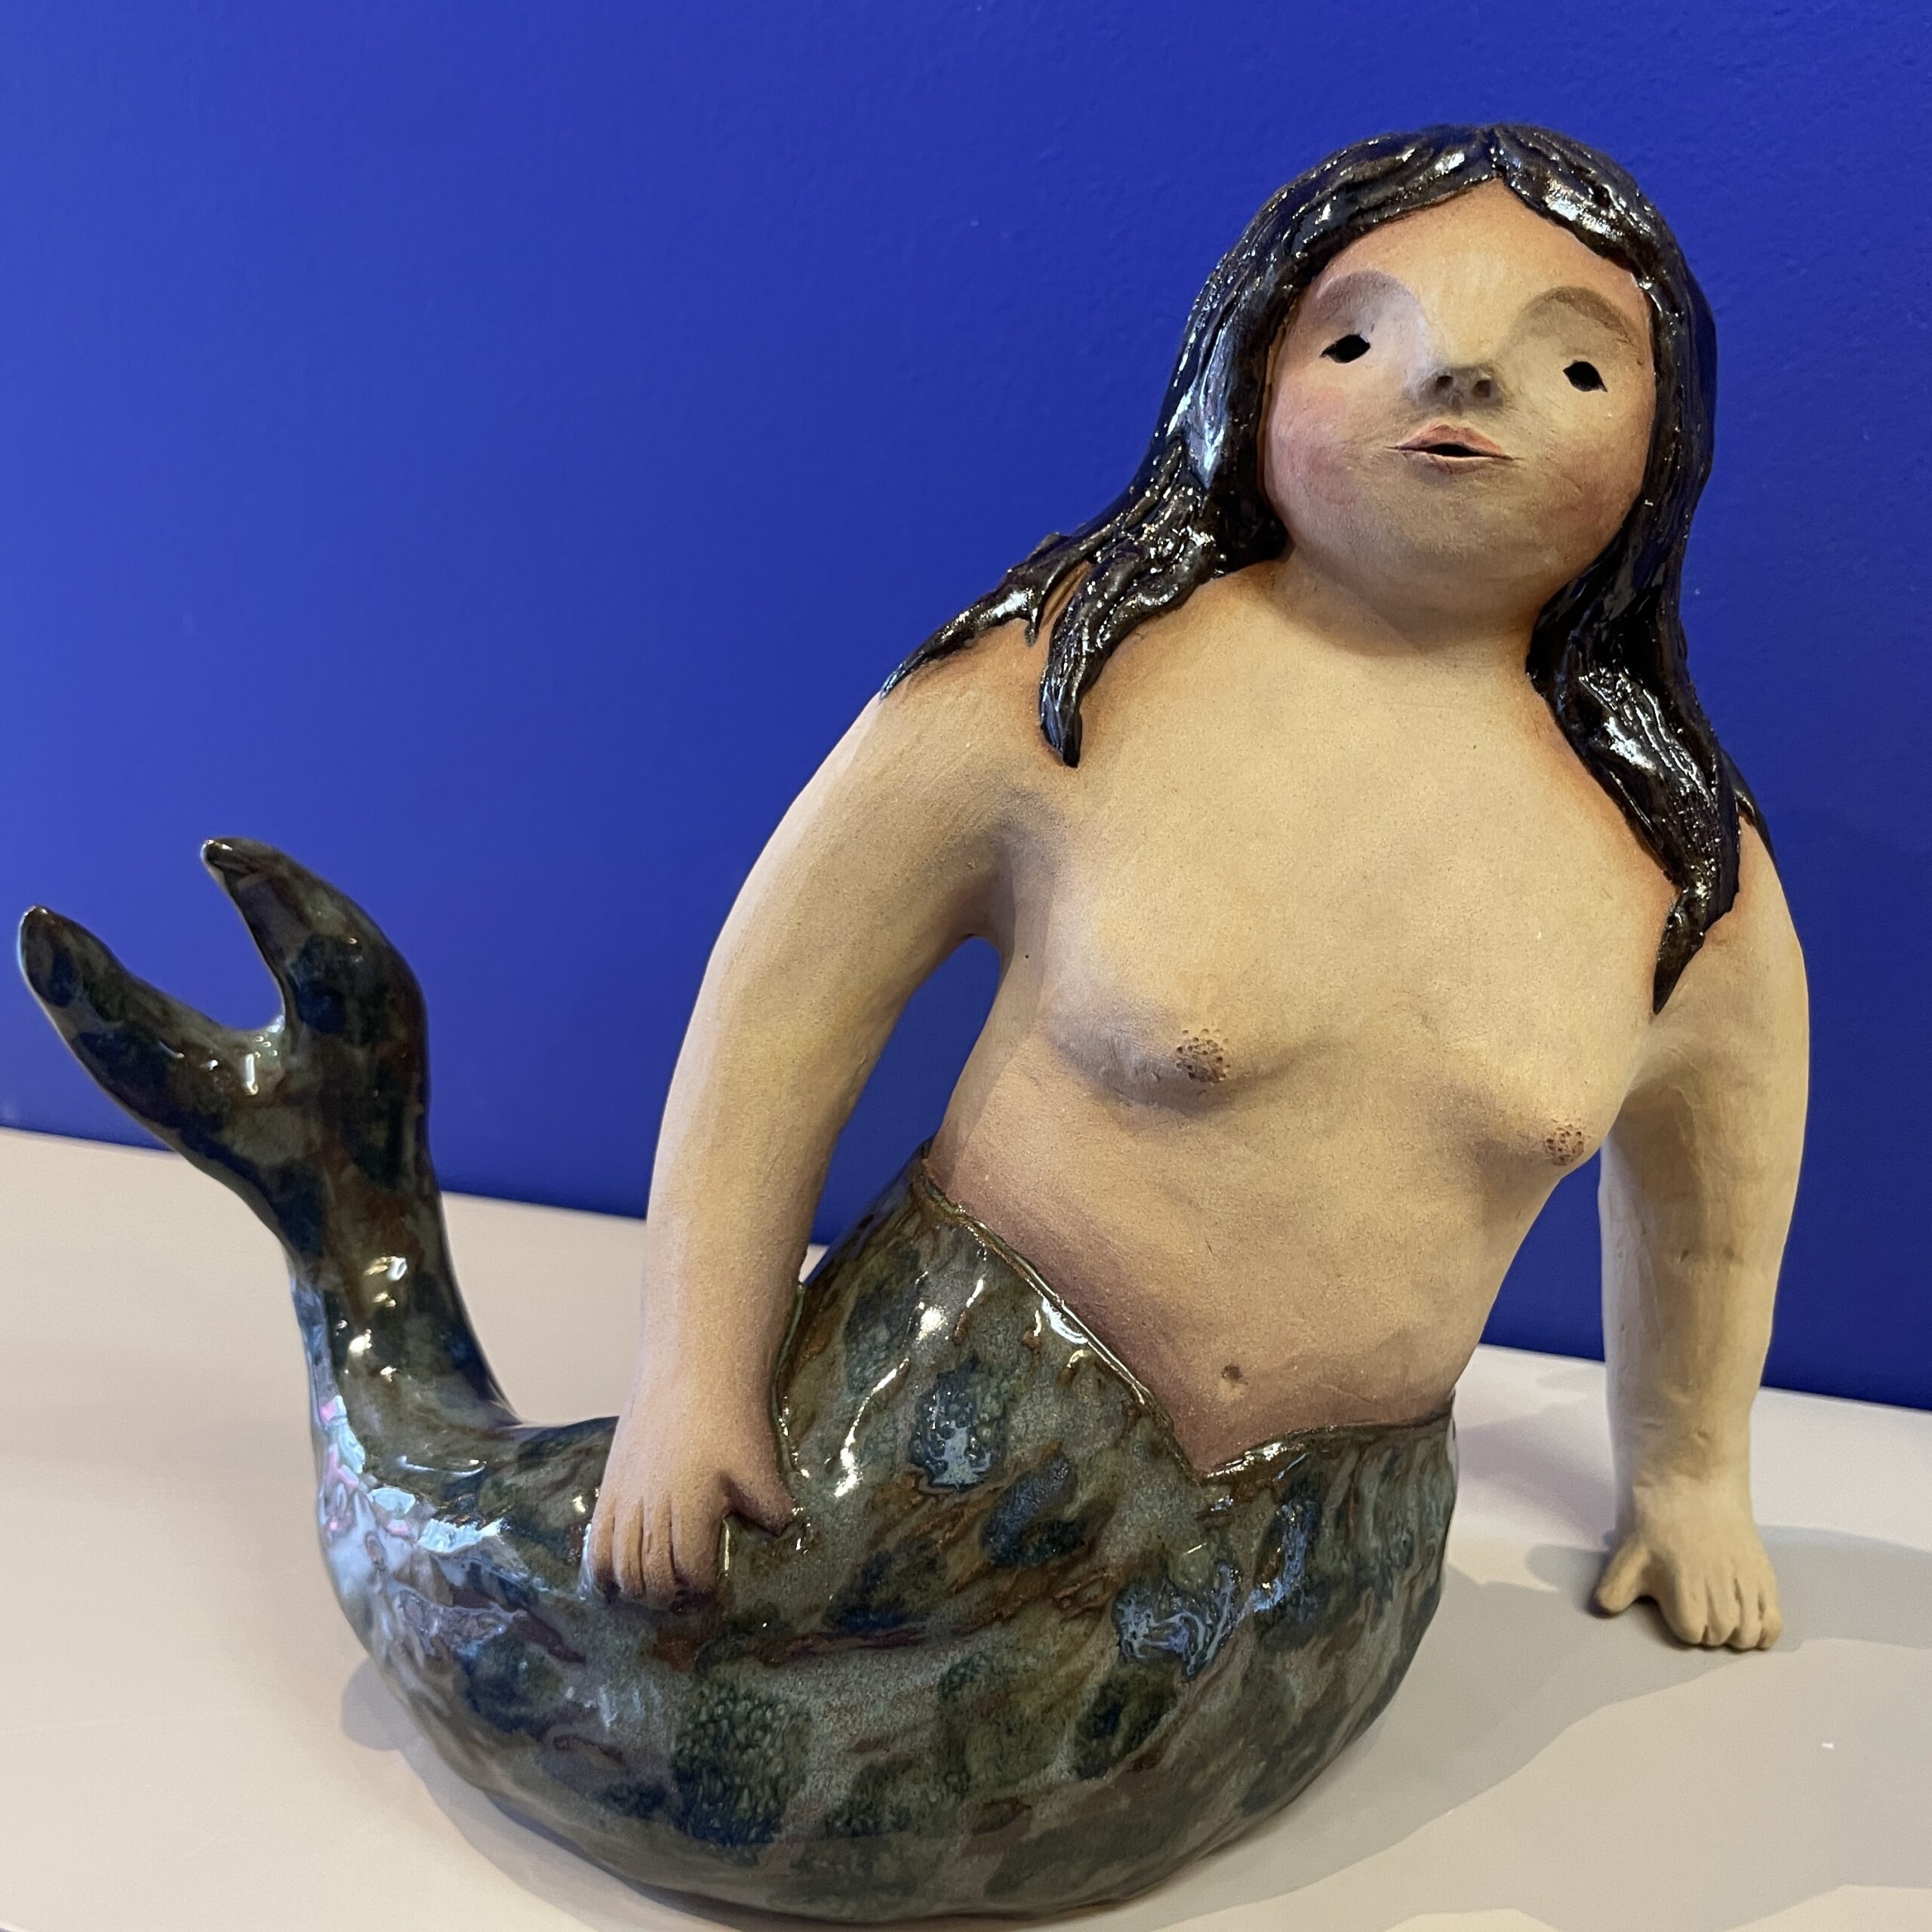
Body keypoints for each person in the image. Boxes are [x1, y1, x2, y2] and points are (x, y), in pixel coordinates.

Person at [586, 122, 1808, 1656]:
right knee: (668, 1699)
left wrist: (1692, 1479)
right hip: (938, 1438)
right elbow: (780, 1008)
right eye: (1358, 339)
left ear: (1661, 446)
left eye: (1571, 367)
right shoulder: (1061, 683)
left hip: (1325, 1559)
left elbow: (1718, 1208)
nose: (1456, 377)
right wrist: (691, 1379)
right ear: (1248, 372)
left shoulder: (1681, 863)